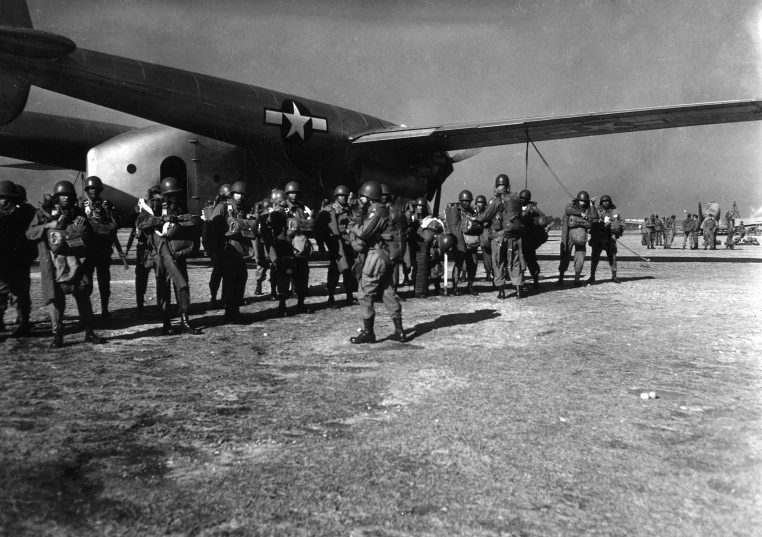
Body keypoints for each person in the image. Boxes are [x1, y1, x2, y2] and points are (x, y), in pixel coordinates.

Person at [26, 180, 106, 347]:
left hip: (76, 261)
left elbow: (90, 236)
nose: (66, 198)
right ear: (57, 197)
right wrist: (50, 225)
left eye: (69, 195)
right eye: (63, 195)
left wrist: (82, 226)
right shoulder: (44, 213)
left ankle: (89, 332)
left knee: (83, 294)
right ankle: (57, 334)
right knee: (54, 299)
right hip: (53, 264)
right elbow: (30, 233)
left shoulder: (78, 213)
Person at [136, 177, 201, 335]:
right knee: (163, 288)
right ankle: (166, 322)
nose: (175, 197)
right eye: (171, 194)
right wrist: (162, 219)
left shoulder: (179, 205)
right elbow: (140, 222)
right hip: (160, 252)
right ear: (164, 194)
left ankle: (185, 320)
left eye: (177, 194)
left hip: (177, 250)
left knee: (182, 284)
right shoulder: (154, 204)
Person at [347, 181, 405, 344]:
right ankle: (399, 331)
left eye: (363, 197)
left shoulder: (377, 210)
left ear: (369, 197)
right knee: (387, 291)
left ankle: (368, 332)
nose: (361, 200)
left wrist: (352, 225)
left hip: (377, 256)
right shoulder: (386, 209)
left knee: (365, 292)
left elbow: (364, 232)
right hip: (386, 255)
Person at [80, 176, 123, 321]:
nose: (94, 191)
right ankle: (87, 314)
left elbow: (115, 224)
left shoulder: (106, 205)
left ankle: (105, 311)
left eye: (96, 189)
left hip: (103, 249)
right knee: (87, 283)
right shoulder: (81, 205)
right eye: (91, 188)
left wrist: (97, 228)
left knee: (104, 283)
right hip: (88, 250)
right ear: (86, 190)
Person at [477, 174, 525, 298]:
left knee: (498, 262)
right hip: (513, 236)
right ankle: (518, 290)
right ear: (508, 186)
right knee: (514, 261)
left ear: (496, 186)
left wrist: (476, 217)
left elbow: (485, 217)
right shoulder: (515, 199)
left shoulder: (496, 200)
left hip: (498, 237)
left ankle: (501, 291)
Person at [219, 181, 257, 322]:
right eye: (237, 193)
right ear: (232, 194)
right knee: (230, 280)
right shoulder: (223, 207)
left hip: (241, 249)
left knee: (241, 278)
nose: (239, 196)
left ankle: (235, 310)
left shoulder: (243, 209)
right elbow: (214, 226)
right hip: (228, 249)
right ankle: (229, 312)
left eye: (242, 194)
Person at [0, 180, 33, 337]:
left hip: (20, 262)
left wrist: (28, 257)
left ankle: (23, 324)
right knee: (0, 295)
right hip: (2, 265)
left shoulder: (25, 214)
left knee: (21, 296)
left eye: (5, 197)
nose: (2, 201)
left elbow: (31, 239)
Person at [317, 185, 357, 308]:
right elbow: (319, 228)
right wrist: (321, 244)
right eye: (341, 196)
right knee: (335, 271)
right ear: (336, 197)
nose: (343, 198)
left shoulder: (348, 209)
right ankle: (331, 298)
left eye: (345, 196)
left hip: (348, 244)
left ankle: (349, 296)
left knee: (349, 271)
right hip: (337, 246)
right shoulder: (330, 209)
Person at [132, 184, 162, 316]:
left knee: (158, 276)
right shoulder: (145, 207)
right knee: (143, 277)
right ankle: (140, 306)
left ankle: (160, 305)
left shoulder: (157, 206)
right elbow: (140, 223)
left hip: (154, 246)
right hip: (145, 247)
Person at [557, 191, 597, 286]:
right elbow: (567, 210)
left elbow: (594, 218)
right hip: (569, 234)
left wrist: (592, 205)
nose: (583, 202)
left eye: (584, 201)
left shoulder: (589, 208)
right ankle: (561, 277)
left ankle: (577, 278)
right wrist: (581, 214)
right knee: (565, 255)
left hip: (581, 235)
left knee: (580, 257)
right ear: (578, 200)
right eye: (581, 201)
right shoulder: (572, 205)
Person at [202, 183, 231, 309]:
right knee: (218, 272)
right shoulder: (221, 207)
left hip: (221, 245)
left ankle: (223, 299)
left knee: (224, 273)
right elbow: (214, 225)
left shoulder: (226, 206)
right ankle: (213, 299)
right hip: (218, 246)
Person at [445, 190, 479, 296]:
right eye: (465, 201)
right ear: (460, 201)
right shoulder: (455, 211)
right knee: (458, 264)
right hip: (460, 243)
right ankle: (455, 287)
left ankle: (470, 286)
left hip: (470, 242)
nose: (467, 203)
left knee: (473, 264)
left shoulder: (471, 211)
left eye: (469, 201)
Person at [588, 194, 623, 283]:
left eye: (607, 201)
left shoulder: (616, 212)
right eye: (604, 201)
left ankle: (614, 276)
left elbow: (622, 222)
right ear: (601, 202)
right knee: (595, 257)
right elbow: (592, 218)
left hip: (611, 237)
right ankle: (592, 276)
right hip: (599, 237)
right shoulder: (597, 211)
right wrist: (591, 204)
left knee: (612, 256)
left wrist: (619, 231)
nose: (606, 202)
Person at [519, 189, 547, 289]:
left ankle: (535, 279)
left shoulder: (531, 207)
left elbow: (541, 217)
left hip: (528, 237)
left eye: (524, 198)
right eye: (521, 198)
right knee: (519, 260)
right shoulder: (516, 206)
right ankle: (520, 281)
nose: (522, 200)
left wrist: (533, 209)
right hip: (519, 236)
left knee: (531, 260)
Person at [407, 196, 435, 298]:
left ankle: (420, 290)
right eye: (418, 206)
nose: (420, 208)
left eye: (422, 206)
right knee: (416, 268)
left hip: (422, 245)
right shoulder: (410, 217)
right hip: (413, 245)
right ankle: (418, 289)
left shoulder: (428, 219)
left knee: (422, 268)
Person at [474, 195, 493, 282]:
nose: (480, 204)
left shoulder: (487, 212)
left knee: (489, 255)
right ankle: (488, 273)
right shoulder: (474, 211)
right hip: (479, 236)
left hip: (486, 235)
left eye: (482, 203)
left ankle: (490, 273)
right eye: (478, 203)